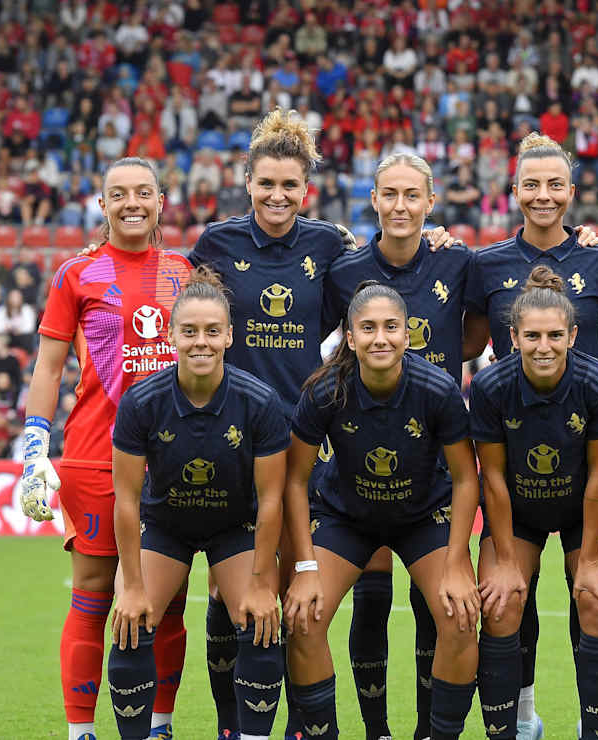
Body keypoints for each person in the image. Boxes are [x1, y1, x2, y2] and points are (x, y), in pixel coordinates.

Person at [188, 107, 460, 739]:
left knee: (293, 594)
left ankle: (304, 727)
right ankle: (236, 726)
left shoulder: (330, 247)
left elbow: (385, 276)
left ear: (306, 190)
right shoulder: (215, 245)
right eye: (266, 183)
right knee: (232, 599)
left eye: (290, 185)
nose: (277, 195)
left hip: (306, 441)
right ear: (247, 181)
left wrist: (433, 232)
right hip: (235, 440)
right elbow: (179, 303)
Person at [466, 131, 598, 739]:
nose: (543, 196)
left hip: (588, 454)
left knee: (596, 595)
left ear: (571, 191)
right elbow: (459, 342)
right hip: (514, 464)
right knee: (506, 598)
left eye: (554, 184)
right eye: (531, 185)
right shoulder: (484, 264)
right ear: (514, 192)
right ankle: (521, 717)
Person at [19, 157, 193, 740]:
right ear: (102, 204)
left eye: (143, 192)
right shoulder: (77, 273)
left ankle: (161, 726)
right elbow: (48, 367)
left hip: (176, 458)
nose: (132, 203)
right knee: (93, 595)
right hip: (96, 455)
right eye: (119, 194)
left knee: (169, 602)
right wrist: (34, 451)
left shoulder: (186, 271)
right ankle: (81, 732)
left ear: (161, 201)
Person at [322, 152, 489, 739]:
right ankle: (376, 730)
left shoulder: (458, 260)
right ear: (373, 200)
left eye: (412, 196)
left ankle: (428, 730)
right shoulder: (343, 271)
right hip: (359, 455)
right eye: (389, 194)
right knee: (370, 601)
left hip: (433, 461)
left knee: (436, 608)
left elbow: (476, 334)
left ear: (430, 201)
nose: (400, 206)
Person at [280, 282, 481, 740]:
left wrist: (455, 563)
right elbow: (294, 480)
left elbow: (466, 478)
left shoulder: (437, 390)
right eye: (367, 328)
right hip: (346, 519)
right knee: (304, 620)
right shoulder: (325, 391)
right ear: (350, 337)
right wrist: (306, 566)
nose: (380, 338)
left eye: (391, 327)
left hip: (421, 518)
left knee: (459, 616)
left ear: (407, 334)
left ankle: (439, 733)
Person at [106, 267, 288, 740]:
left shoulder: (259, 402)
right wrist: (129, 584)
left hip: (234, 527)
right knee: (130, 622)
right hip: (167, 528)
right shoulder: (141, 402)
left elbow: (271, 500)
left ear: (230, 335)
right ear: (170, 336)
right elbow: (125, 499)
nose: (200, 342)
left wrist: (260, 581)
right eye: (189, 331)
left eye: (212, 331)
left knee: (260, 619)